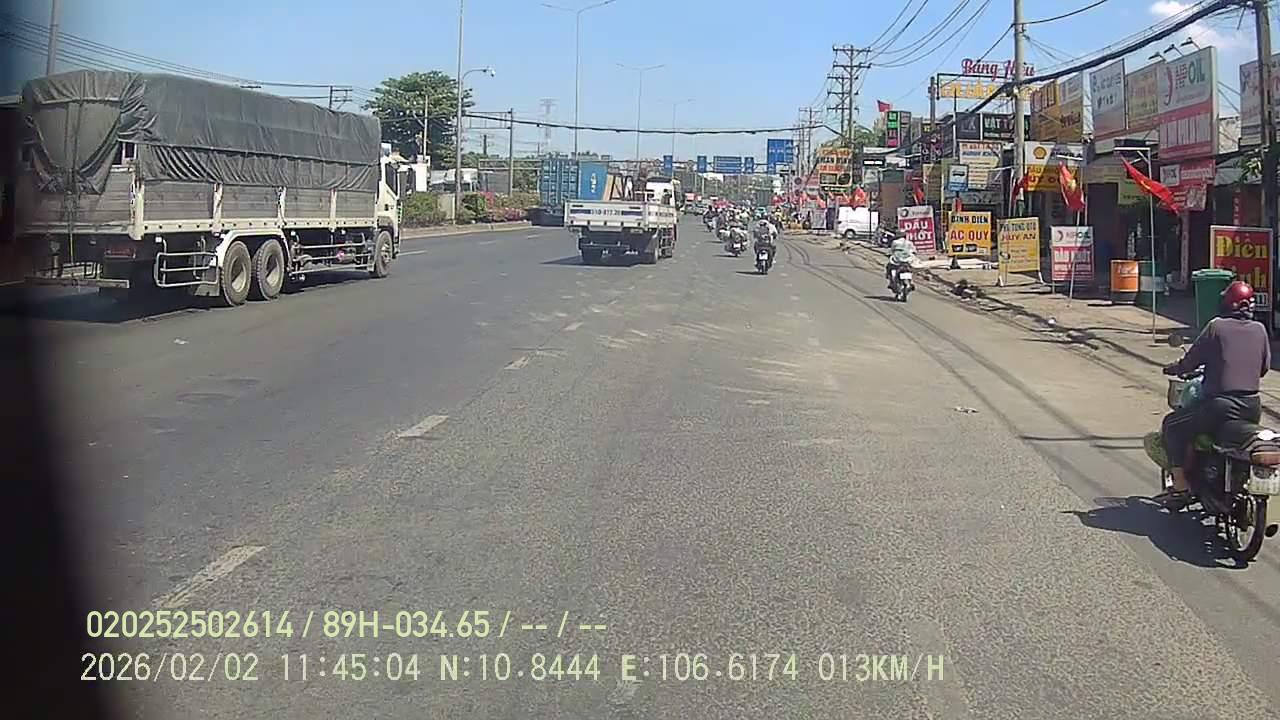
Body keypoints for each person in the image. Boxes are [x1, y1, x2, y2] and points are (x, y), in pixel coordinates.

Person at [1156, 280, 1271, 507]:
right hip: (1252, 407)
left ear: (1227, 303)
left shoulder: (1216, 327)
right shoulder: (1260, 329)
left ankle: (1180, 488)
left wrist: (1176, 368)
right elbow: (1264, 368)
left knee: (1172, 425)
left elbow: (1191, 360)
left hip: (1219, 406)